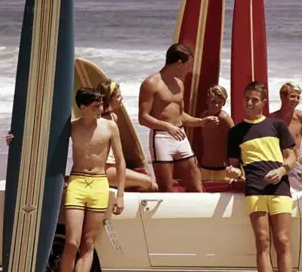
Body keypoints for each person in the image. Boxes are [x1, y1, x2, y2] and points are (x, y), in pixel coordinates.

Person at [226, 81, 298, 272]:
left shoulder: (276, 125)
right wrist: (234, 173)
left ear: (263, 102)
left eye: (254, 99)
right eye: (246, 98)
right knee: (263, 242)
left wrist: (282, 170)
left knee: (283, 241)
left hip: (280, 188)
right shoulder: (235, 132)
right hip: (254, 189)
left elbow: (291, 156)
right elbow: (235, 167)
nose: (249, 103)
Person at [50, 87, 125, 272]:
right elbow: (47, 147)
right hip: (77, 183)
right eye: (95, 106)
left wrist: (120, 195)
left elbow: (120, 162)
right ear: (82, 108)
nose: (101, 109)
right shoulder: (71, 127)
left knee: (89, 243)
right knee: (72, 241)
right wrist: (12, 139)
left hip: (100, 183)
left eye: (102, 105)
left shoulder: (110, 126)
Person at [138, 43, 219, 192]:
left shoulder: (179, 84)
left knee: (196, 184)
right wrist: (167, 126)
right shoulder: (151, 84)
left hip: (180, 136)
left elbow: (180, 115)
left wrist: (201, 122)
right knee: (166, 189)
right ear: (179, 64)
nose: (189, 70)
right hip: (161, 138)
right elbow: (143, 118)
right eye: (188, 65)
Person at [95, 80, 158, 192]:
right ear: (109, 99)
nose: (122, 98)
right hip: (106, 170)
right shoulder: (98, 121)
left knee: (151, 182)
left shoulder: (114, 117)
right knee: (150, 184)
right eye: (118, 96)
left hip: (113, 167)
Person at [269, 82, 302, 165]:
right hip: (277, 164)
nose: (296, 100)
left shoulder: (300, 117)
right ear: (282, 97)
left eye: (298, 97)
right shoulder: (271, 118)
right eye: (292, 96)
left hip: (296, 164)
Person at [197, 85, 235, 180]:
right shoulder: (203, 116)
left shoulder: (224, 118)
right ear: (207, 101)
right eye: (213, 102)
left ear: (224, 103)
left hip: (222, 169)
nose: (216, 105)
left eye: (220, 102)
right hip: (204, 167)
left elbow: (236, 140)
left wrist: (235, 165)